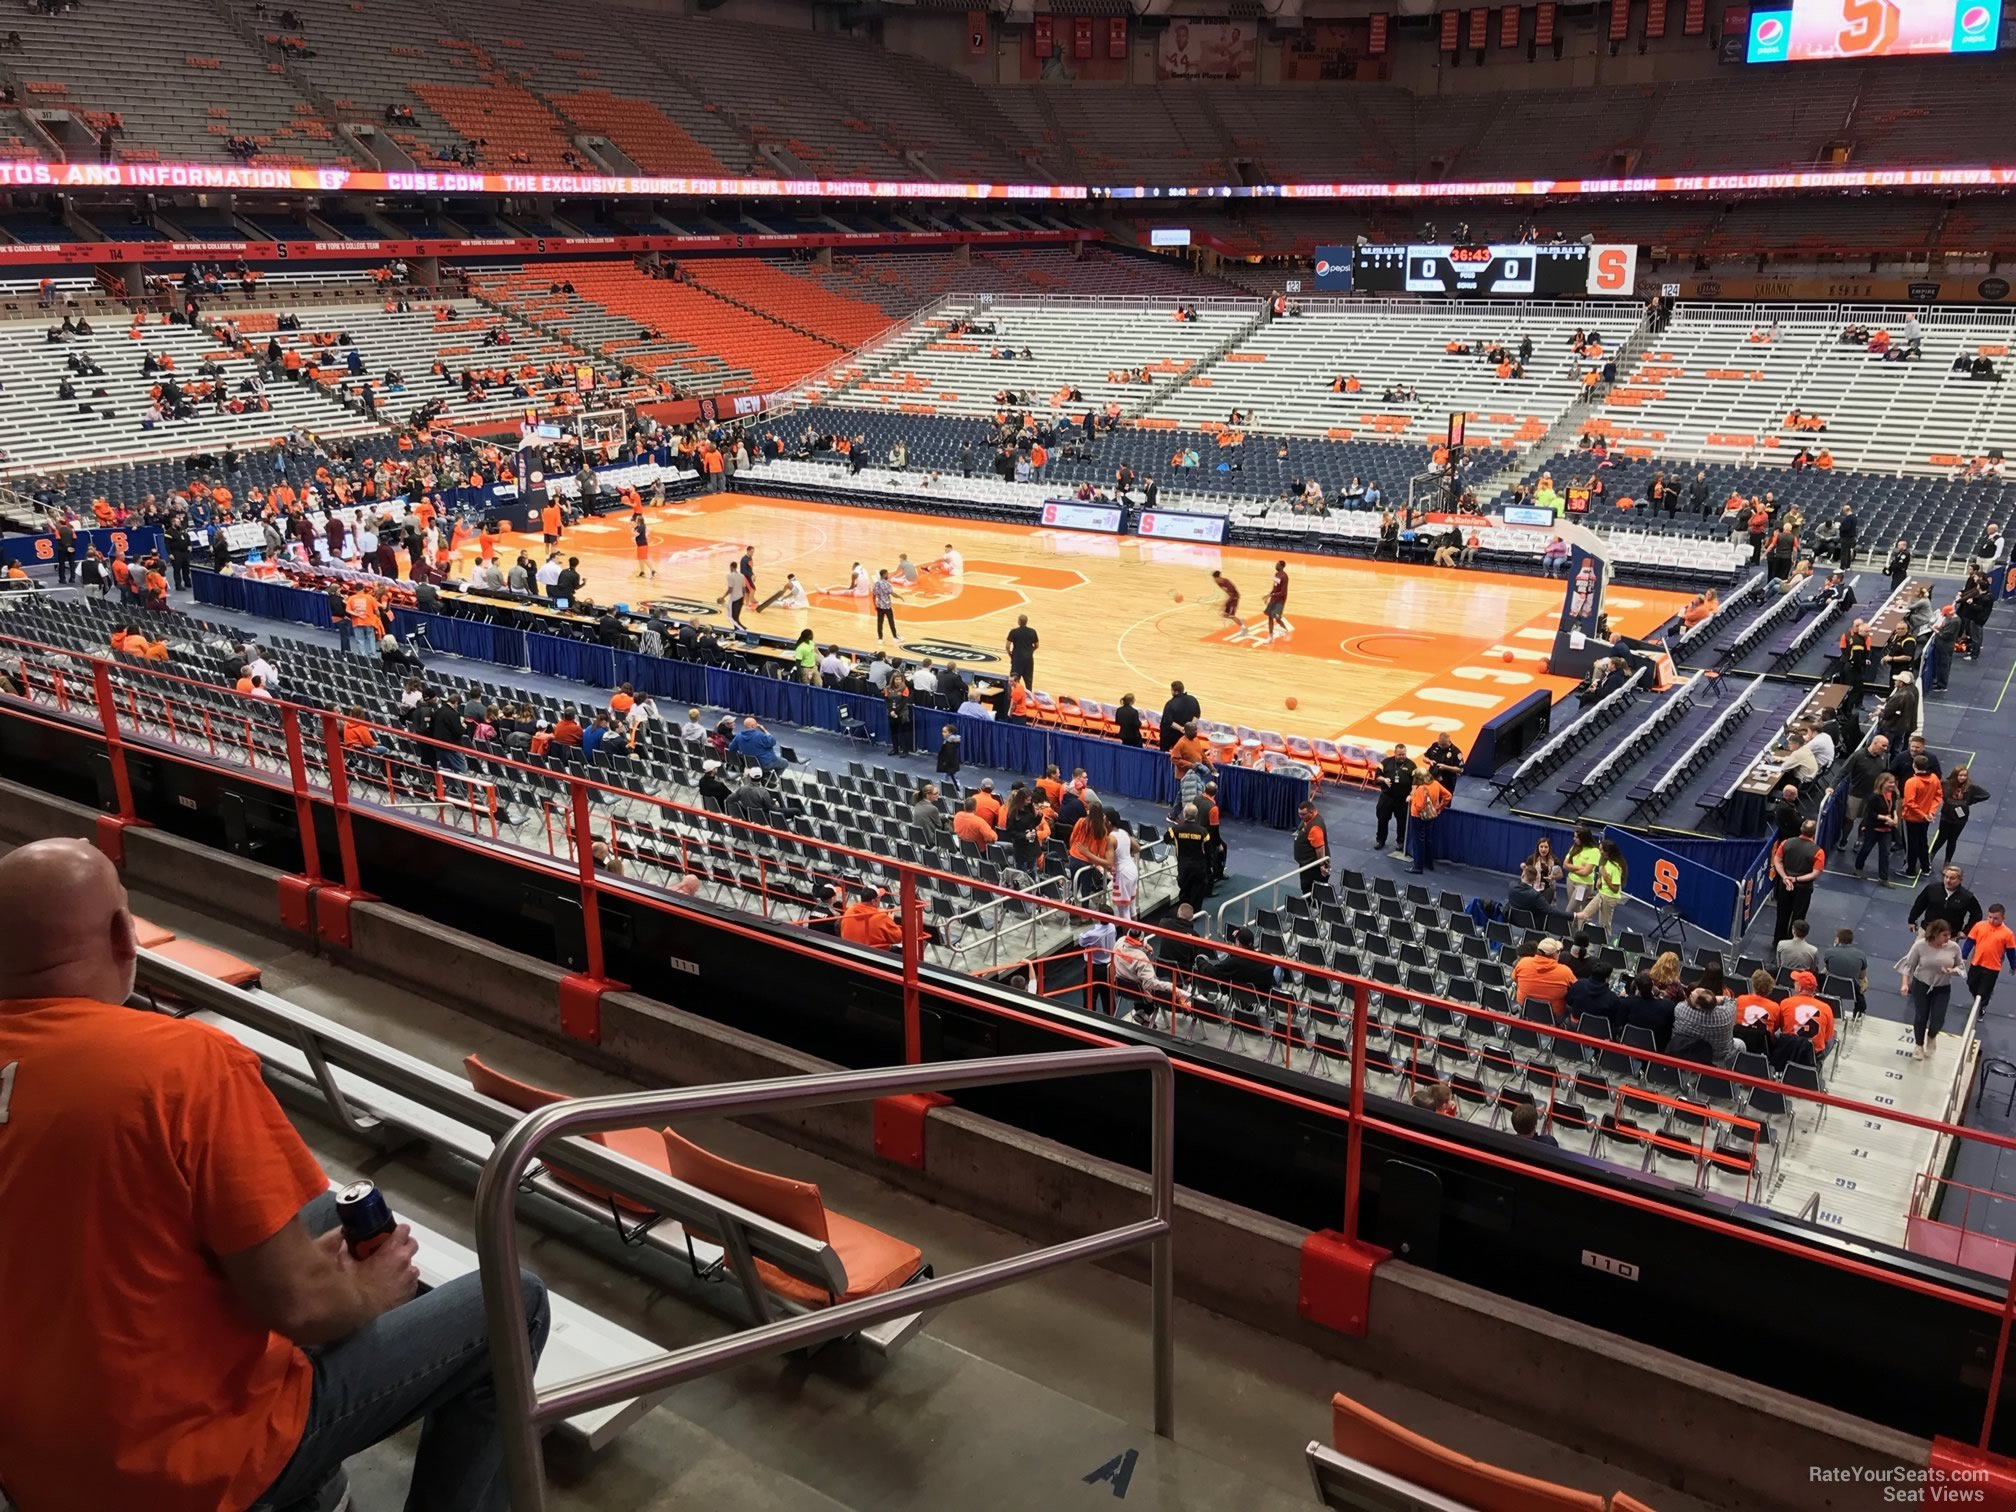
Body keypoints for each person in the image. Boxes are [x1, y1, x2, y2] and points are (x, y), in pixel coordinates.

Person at [0, 838, 549, 1512]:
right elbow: (305, 1311)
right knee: (513, 1304)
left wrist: (304, 1273)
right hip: (182, 1472)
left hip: (32, 1463)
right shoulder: (181, 1064)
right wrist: (367, 1291)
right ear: (123, 933)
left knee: (316, 1212)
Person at [1896, 919, 1965, 1061]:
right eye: (1945, 935)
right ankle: (1919, 1045)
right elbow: (1908, 965)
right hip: (1921, 985)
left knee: (1938, 1019)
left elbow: (1962, 968)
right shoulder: (1920, 946)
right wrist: (1905, 984)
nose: (1948, 938)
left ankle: (1932, 1036)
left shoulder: (1953, 947)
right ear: (1935, 934)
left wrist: (1952, 971)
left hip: (1942, 988)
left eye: (1949, 935)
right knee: (1921, 1016)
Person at [1770, 820, 1824, 944]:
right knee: (1798, 917)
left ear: (1801, 829)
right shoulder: (1818, 852)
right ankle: (1792, 943)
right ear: (1814, 833)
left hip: (1785, 885)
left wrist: (1785, 877)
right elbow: (1815, 873)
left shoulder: (1786, 843)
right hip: (1803, 889)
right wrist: (1796, 879)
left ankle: (1778, 941)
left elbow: (1777, 860)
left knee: (1782, 914)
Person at [1933, 765, 1990, 868]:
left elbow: (1986, 795)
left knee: (1952, 840)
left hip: (1960, 819)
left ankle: (1947, 862)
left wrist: (1969, 801)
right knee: (1941, 838)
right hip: (1946, 816)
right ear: (1955, 775)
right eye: (1960, 775)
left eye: (1965, 775)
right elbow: (1936, 792)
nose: (1963, 778)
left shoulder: (1971, 787)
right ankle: (1931, 856)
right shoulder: (1945, 784)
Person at [1910, 865, 1984, 938]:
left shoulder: (1967, 897)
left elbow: (1977, 914)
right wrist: (1912, 920)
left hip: (1950, 936)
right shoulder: (1932, 889)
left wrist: (1966, 931)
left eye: (1952, 878)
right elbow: (1919, 904)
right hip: (1927, 931)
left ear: (1960, 880)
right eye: (1946, 877)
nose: (1948, 880)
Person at [1669, 986, 1736, 1067]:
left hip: (1682, 1051)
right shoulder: (1725, 1014)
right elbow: (1731, 1001)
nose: (1690, 994)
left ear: (1698, 1006)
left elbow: (1685, 1002)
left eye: (1691, 996)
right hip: (1717, 1058)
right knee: (1741, 1044)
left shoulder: (1681, 1009)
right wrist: (1714, 999)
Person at [1512, 937, 1577, 1020]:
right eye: (1558, 951)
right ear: (1554, 954)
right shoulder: (1565, 971)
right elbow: (1575, 989)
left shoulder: (1523, 962)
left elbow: (1514, 978)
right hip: (1554, 1015)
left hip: (1525, 1009)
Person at [1967, 904, 2016, 1013]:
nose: (1992, 920)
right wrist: (1963, 955)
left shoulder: (2007, 934)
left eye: (1995, 918)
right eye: (1990, 917)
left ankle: (1981, 1008)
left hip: (1992, 966)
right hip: (1976, 962)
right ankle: (1978, 999)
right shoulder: (1979, 926)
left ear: (2003, 918)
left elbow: (2011, 951)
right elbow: (1970, 941)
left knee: (1984, 990)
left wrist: (2013, 966)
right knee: (1971, 983)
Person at [1902, 756, 1943, 878]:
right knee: (1922, 841)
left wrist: (1923, 814)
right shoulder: (1935, 779)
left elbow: (1909, 802)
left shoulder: (1912, 782)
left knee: (1911, 844)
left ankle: (1910, 870)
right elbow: (1938, 796)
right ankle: (1925, 867)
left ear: (1914, 766)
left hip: (1912, 818)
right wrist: (1931, 812)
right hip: (1926, 819)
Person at [1855, 771, 1899, 883]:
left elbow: (1893, 807)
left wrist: (1895, 817)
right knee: (1866, 849)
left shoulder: (1893, 794)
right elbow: (1870, 814)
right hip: (1873, 827)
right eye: (1890, 783)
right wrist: (1886, 818)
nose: (1892, 785)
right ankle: (1858, 867)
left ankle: (1883, 878)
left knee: (1885, 853)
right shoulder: (1874, 797)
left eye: (1893, 782)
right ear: (1882, 783)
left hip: (1887, 829)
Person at [1406, 766, 1449, 874]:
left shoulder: (1421, 788)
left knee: (1418, 842)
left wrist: (1411, 799)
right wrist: (1438, 808)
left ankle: (1418, 867)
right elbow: (1448, 796)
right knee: (1428, 840)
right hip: (1431, 816)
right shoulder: (1435, 783)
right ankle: (1429, 863)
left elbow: (1420, 806)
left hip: (1418, 817)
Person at [1374, 743, 1414, 858]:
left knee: (1402, 822)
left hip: (1402, 800)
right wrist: (1384, 779)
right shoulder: (1385, 763)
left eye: (1404, 754)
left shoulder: (1411, 765)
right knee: (1382, 819)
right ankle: (1380, 840)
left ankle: (1400, 842)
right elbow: (1377, 776)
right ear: (1394, 753)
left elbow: (1416, 782)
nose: (1402, 756)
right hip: (1387, 797)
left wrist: (1411, 794)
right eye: (1399, 754)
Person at [1510, 838, 1561, 917]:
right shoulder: (1531, 859)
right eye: (1541, 846)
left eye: (1546, 847)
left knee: (1544, 910)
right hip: (1533, 888)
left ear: (1549, 848)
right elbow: (1526, 872)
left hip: (1548, 889)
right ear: (1538, 847)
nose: (1543, 849)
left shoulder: (1554, 860)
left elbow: (1560, 875)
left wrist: (1553, 877)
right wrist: (1524, 867)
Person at [1291, 799, 1329, 894]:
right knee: (1305, 888)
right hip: (1306, 865)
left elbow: (1320, 848)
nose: (1301, 817)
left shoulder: (1315, 827)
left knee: (1313, 891)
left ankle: (1315, 908)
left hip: (1313, 867)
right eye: (1299, 814)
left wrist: (1322, 865)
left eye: (1303, 814)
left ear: (1311, 812)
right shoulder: (1308, 819)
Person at [1563, 827, 1602, 913]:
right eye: (1574, 836)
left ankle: (1564, 925)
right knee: (1576, 910)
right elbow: (1565, 865)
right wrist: (1579, 868)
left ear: (1584, 838)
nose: (1574, 839)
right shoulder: (1574, 847)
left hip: (1583, 885)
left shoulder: (1594, 851)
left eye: (1577, 837)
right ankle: (1577, 926)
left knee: (1569, 910)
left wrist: (1572, 868)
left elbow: (1586, 872)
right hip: (1570, 881)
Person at [1159, 681, 1200, 750]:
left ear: (1174, 691)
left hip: (1171, 736)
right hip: (1186, 736)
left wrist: (1181, 728)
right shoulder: (1193, 700)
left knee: (1165, 752)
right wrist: (1189, 727)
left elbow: (1169, 722)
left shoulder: (1170, 704)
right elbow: (1197, 715)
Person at [1005, 614, 1039, 687]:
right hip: (1028, 660)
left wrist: (1010, 655)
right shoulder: (1033, 631)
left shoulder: (1014, 631)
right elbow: (1037, 645)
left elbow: (1007, 646)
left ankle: (1013, 697)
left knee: (1013, 682)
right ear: (1026, 622)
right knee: (1029, 683)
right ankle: (1028, 697)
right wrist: (1030, 651)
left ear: (1019, 621)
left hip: (1017, 659)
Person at [870, 568, 899, 641]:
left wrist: (874, 605)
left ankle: (880, 638)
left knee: (879, 622)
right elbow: (892, 594)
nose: (888, 575)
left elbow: (874, 595)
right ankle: (895, 637)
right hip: (887, 606)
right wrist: (900, 597)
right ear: (884, 575)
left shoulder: (876, 583)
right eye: (887, 574)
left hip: (879, 606)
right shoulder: (887, 584)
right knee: (891, 622)